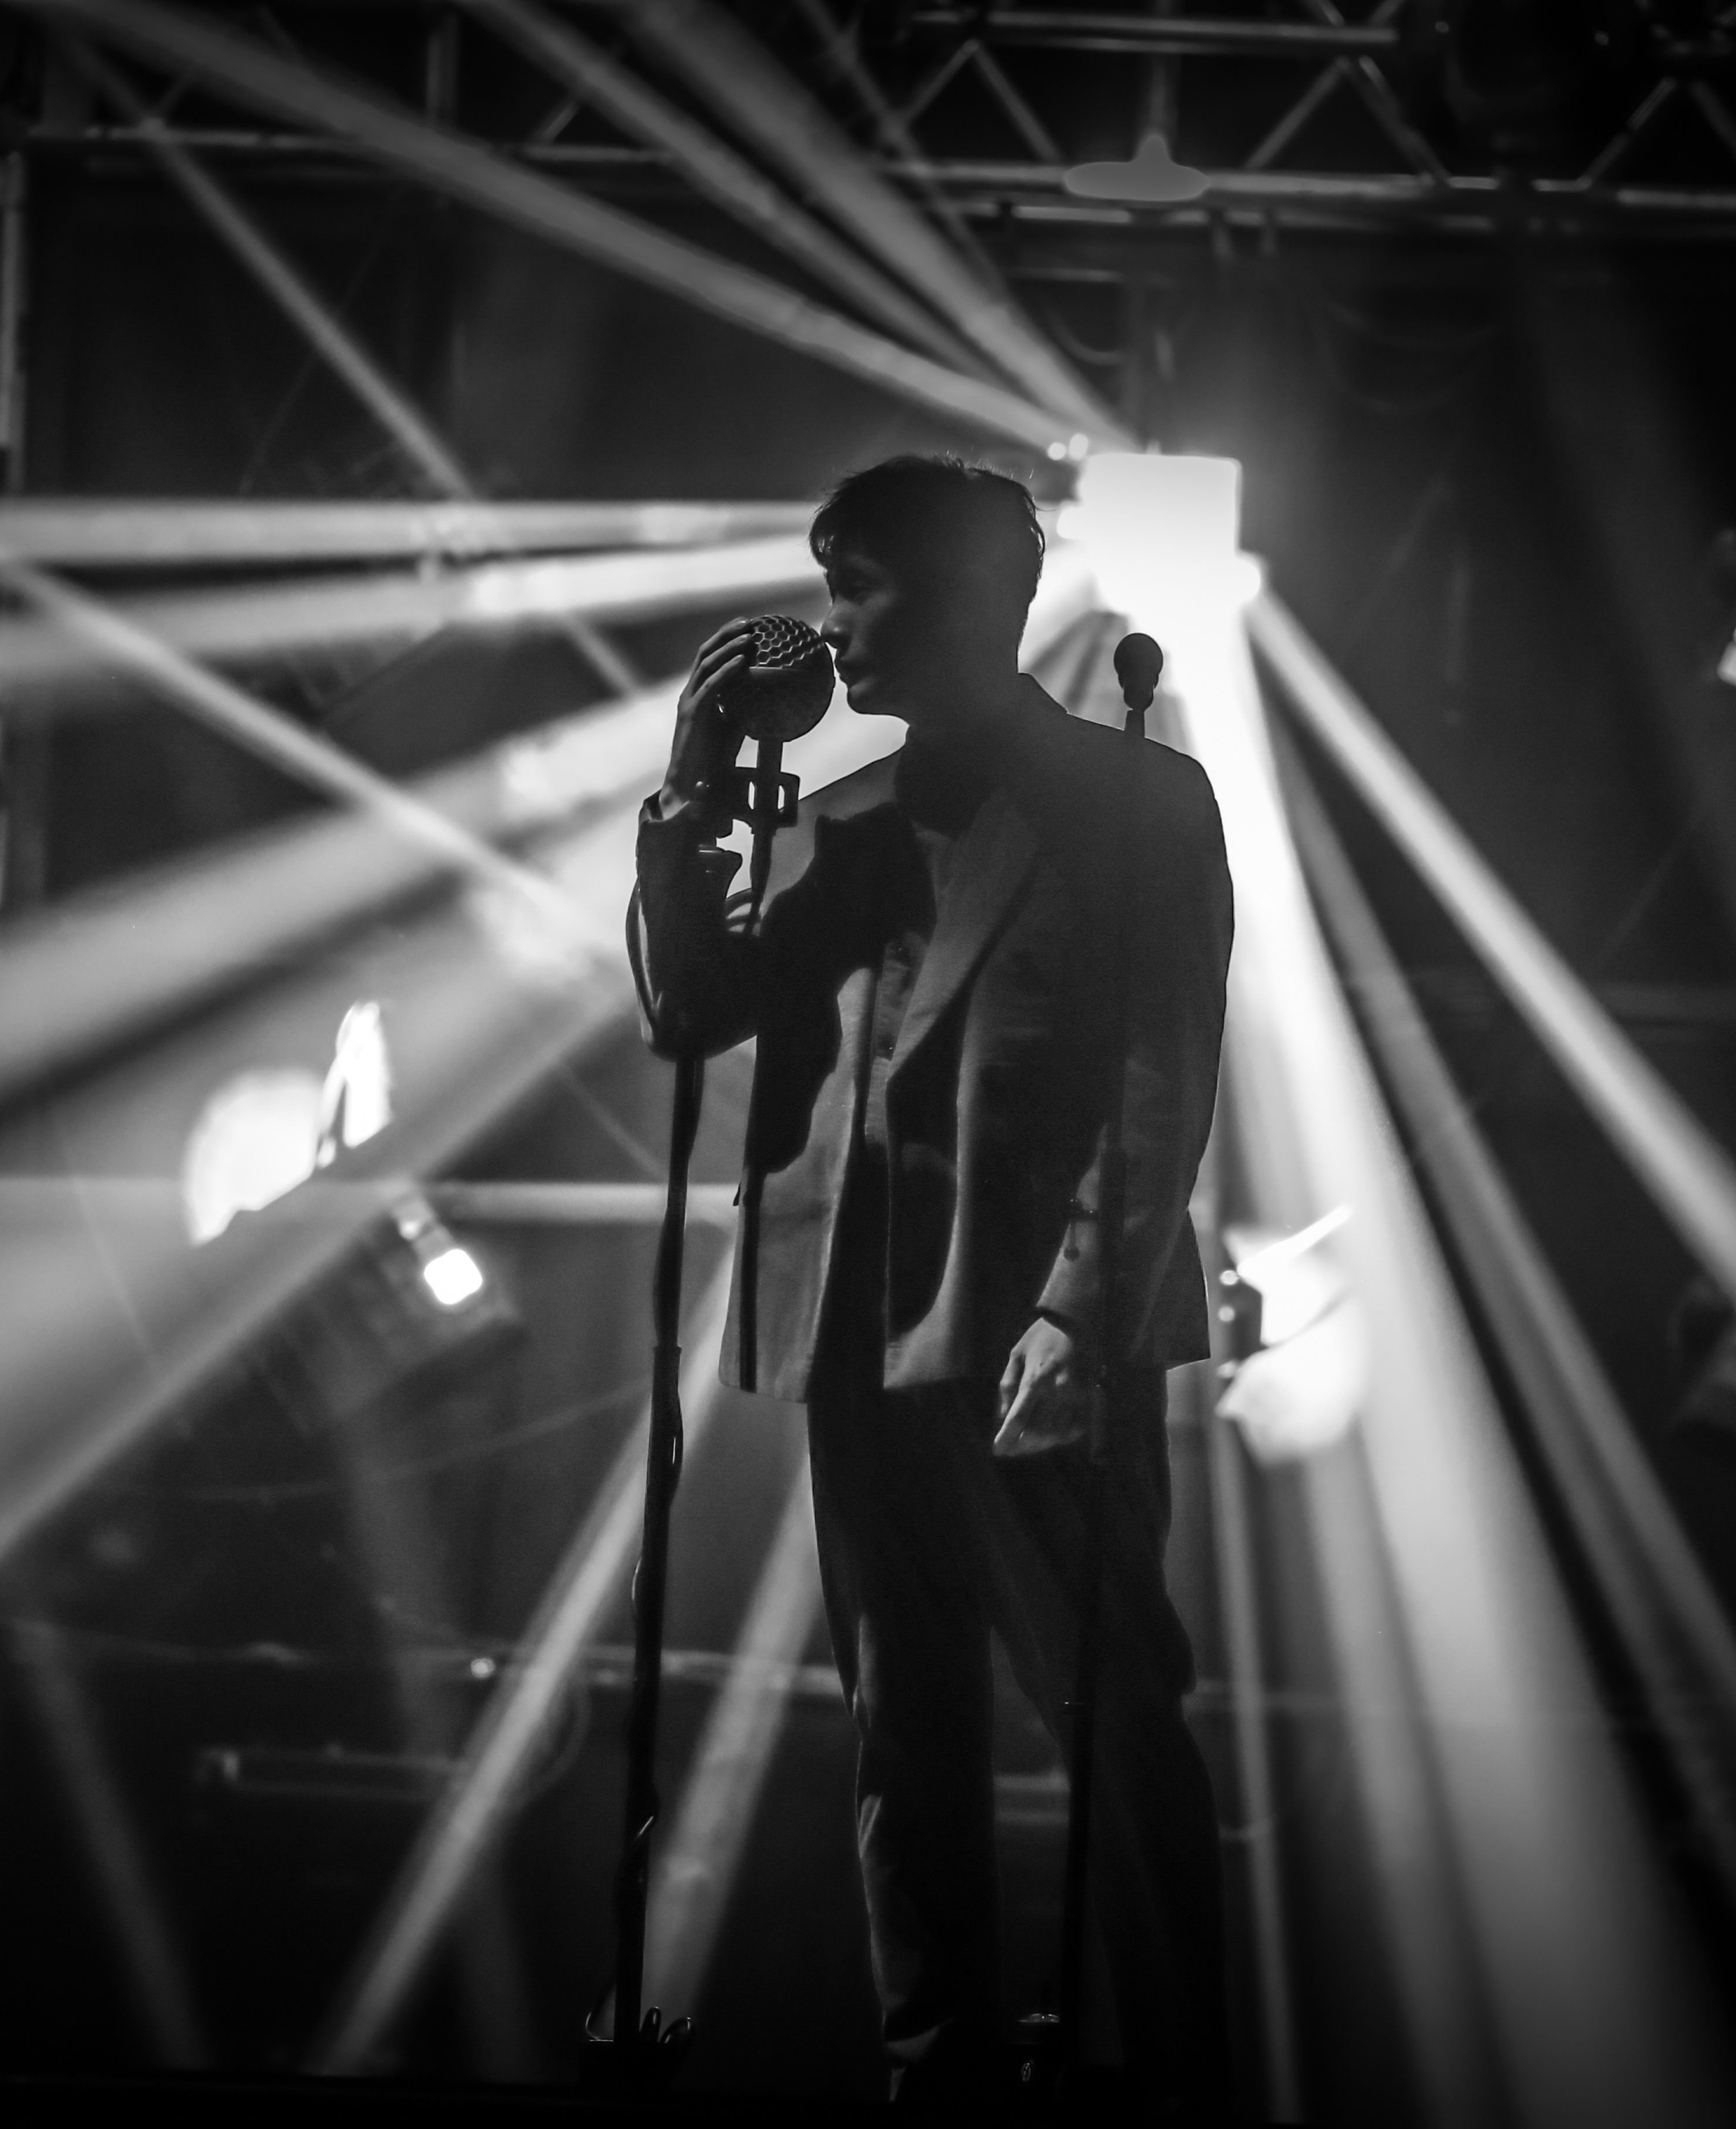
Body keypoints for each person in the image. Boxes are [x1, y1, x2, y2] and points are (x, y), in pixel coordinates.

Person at [630, 455, 1238, 2115]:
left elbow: (1163, 1068)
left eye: (863, 589)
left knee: (1111, 1720)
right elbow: (691, 1012)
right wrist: (691, 795)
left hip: (1032, 1335)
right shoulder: (838, 816)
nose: (831, 626)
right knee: (905, 1740)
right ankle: (937, 2080)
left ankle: (1180, 2080)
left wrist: (1080, 1311)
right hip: (858, 1329)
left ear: (971, 599)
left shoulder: (1135, 800)